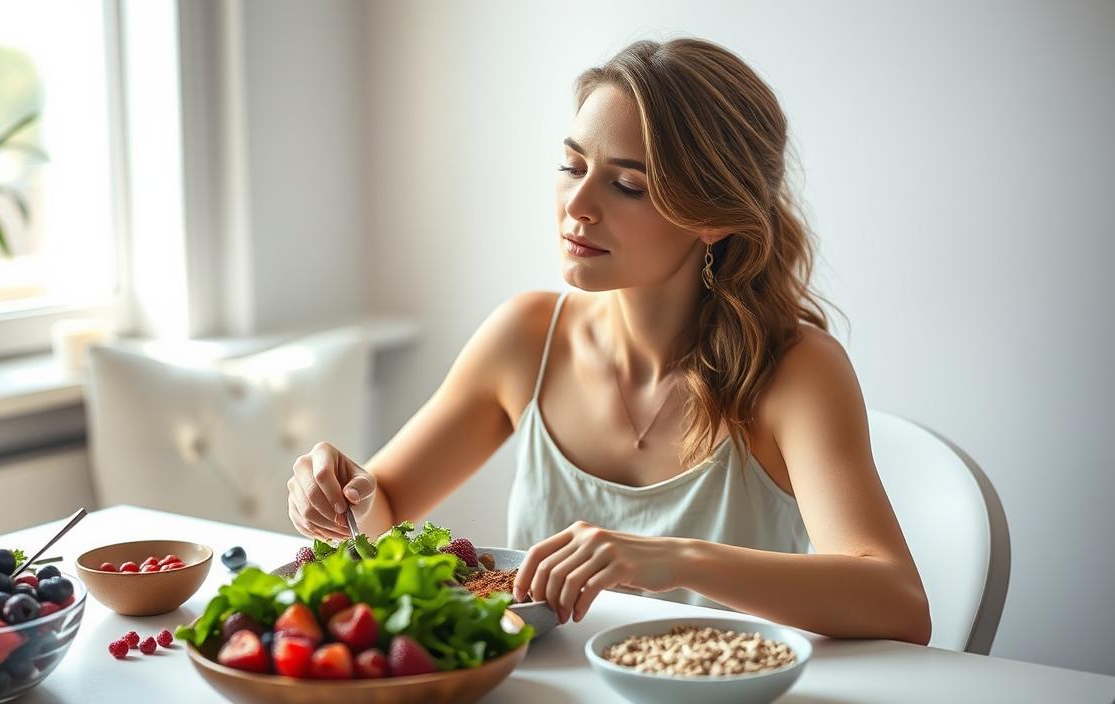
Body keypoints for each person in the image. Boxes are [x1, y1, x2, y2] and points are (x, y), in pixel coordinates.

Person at [286, 37, 930, 645]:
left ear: (711, 218)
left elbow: (897, 600)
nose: (578, 205)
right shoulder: (525, 339)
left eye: (627, 185)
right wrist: (345, 495)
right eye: (572, 165)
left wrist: (674, 559)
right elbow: (388, 509)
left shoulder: (795, 370)